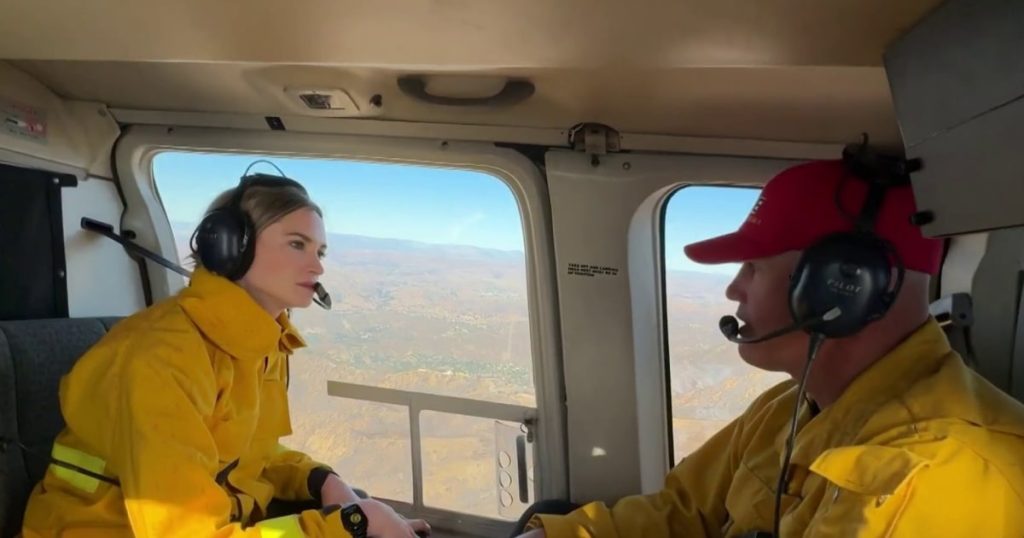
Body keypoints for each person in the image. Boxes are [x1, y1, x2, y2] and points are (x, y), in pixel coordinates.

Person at [514, 158, 1024, 537]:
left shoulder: (923, 478)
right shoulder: (791, 406)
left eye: (754, 267)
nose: (733, 289)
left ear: (842, 287)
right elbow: (684, 512)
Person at [22, 173, 430, 537]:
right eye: (297, 244)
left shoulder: (258, 343)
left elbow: (249, 455)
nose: (317, 267)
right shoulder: (162, 358)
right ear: (229, 246)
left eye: (319, 252)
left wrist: (322, 481)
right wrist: (353, 525)